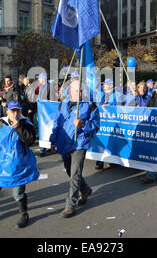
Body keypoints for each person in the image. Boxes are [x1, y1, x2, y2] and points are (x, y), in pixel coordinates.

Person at [0, 101, 39, 228]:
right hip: (1, 162)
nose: (15, 113)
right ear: (7, 112)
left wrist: (18, 127)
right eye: (12, 111)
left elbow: (30, 141)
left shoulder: (26, 123)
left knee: (18, 192)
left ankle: (24, 215)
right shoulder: (1, 123)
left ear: (20, 111)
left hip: (19, 163)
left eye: (17, 110)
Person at [49, 80, 100, 218]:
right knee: (69, 171)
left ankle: (70, 205)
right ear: (70, 91)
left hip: (80, 144)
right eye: (77, 91)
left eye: (82, 90)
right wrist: (52, 141)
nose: (80, 93)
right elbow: (57, 124)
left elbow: (96, 126)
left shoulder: (91, 106)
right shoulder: (63, 104)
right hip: (64, 143)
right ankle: (85, 190)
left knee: (75, 175)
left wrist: (83, 123)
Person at [94, 78, 122, 170]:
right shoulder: (101, 94)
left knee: (112, 141)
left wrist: (110, 107)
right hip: (101, 121)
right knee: (101, 141)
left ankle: (112, 160)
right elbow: (96, 106)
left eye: (106, 84)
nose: (104, 86)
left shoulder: (116, 95)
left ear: (111, 85)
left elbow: (120, 107)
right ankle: (99, 162)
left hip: (112, 122)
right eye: (104, 84)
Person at [37, 73, 58, 156]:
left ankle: (44, 149)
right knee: (43, 129)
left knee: (47, 129)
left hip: (47, 112)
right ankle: (45, 147)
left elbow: (52, 100)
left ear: (44, 79)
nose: (38, 80)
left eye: (40, 78)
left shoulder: (49, 87)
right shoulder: (42, 87)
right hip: (42, 112)